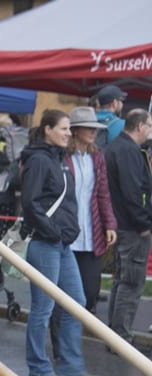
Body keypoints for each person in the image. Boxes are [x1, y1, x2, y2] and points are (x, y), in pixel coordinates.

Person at [20, 109, 101, 376]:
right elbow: (31, 203)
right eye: (64, 129)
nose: (68, 133)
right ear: (48, 130)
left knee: (75, 302)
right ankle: (38, 369)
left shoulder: (58, 159)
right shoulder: (40, 160)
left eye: (69, 129)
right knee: (43, 309)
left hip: (61, 244)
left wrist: (66, 233)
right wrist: (53, 232)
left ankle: (70, 365)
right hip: (45, 244)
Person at [48, 107, 117, 360]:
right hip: (65, 234)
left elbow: (103, 194)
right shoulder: (60, 157)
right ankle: (61, 348)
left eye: (95, 129)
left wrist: (110, 224)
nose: (93, 132)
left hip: (91, 234)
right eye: (88, 128)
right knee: (61, 295)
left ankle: (69, 342)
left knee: (88, 294)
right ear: (74, 131)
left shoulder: (97, 157)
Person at [105, 109, 152, 346]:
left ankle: (115, 335)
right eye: (150, 126)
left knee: (122, 280)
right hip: (131, 227)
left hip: (122, 224)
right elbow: (132, 193)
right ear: (141, 126)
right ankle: (120, 338)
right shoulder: (128, 151)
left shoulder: (117, 147)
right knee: (131, 283)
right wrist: (143, 224)